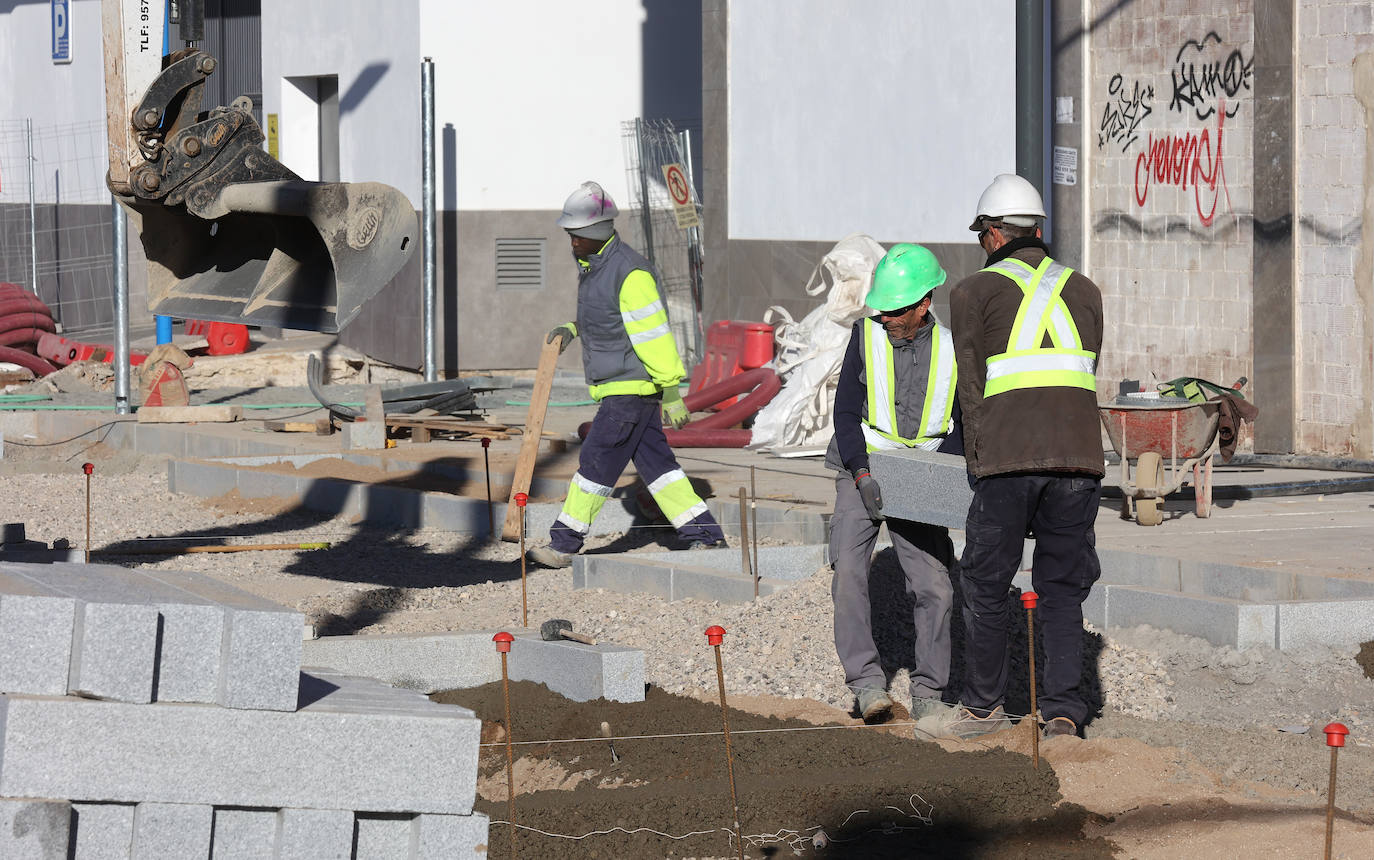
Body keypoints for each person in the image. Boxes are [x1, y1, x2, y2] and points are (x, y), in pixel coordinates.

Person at [922, 173, 1104, 740]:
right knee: (1062, 588)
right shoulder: (1086, 290)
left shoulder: (973, 294)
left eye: (982, 235)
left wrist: (979, 463)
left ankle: (982, 709)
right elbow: (1083, 370)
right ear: (1039, 231)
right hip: (1079, 461)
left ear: (995, 235)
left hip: (1007, 463)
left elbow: (971, 390)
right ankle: (1064, 714)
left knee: (984, 583)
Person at [526, 181, 726, 568]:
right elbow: (609, 320)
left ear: (597, 232)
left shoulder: (630, 273)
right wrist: (574, 327)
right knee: (660, 470)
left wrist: (670, 389)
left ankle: (564, 545)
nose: (572, 244)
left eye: (577, 237)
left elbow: (653, 336)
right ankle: (704, 535)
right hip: (623, 388)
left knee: (596, 463)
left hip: (629, 391)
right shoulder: (597, 268)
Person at [825, 243, 963, 722]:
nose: (885, 318)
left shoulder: (952, 347)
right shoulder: (865, 336)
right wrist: (861, 472)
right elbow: (844, 411)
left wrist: (935, 478)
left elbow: (963, 425)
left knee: (936, 588)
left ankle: (929, 692)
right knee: (848, 572)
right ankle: (866, 684)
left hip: (920, 472)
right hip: (862, 463)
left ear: (924, 303)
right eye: (881, 309)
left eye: (896, 311)